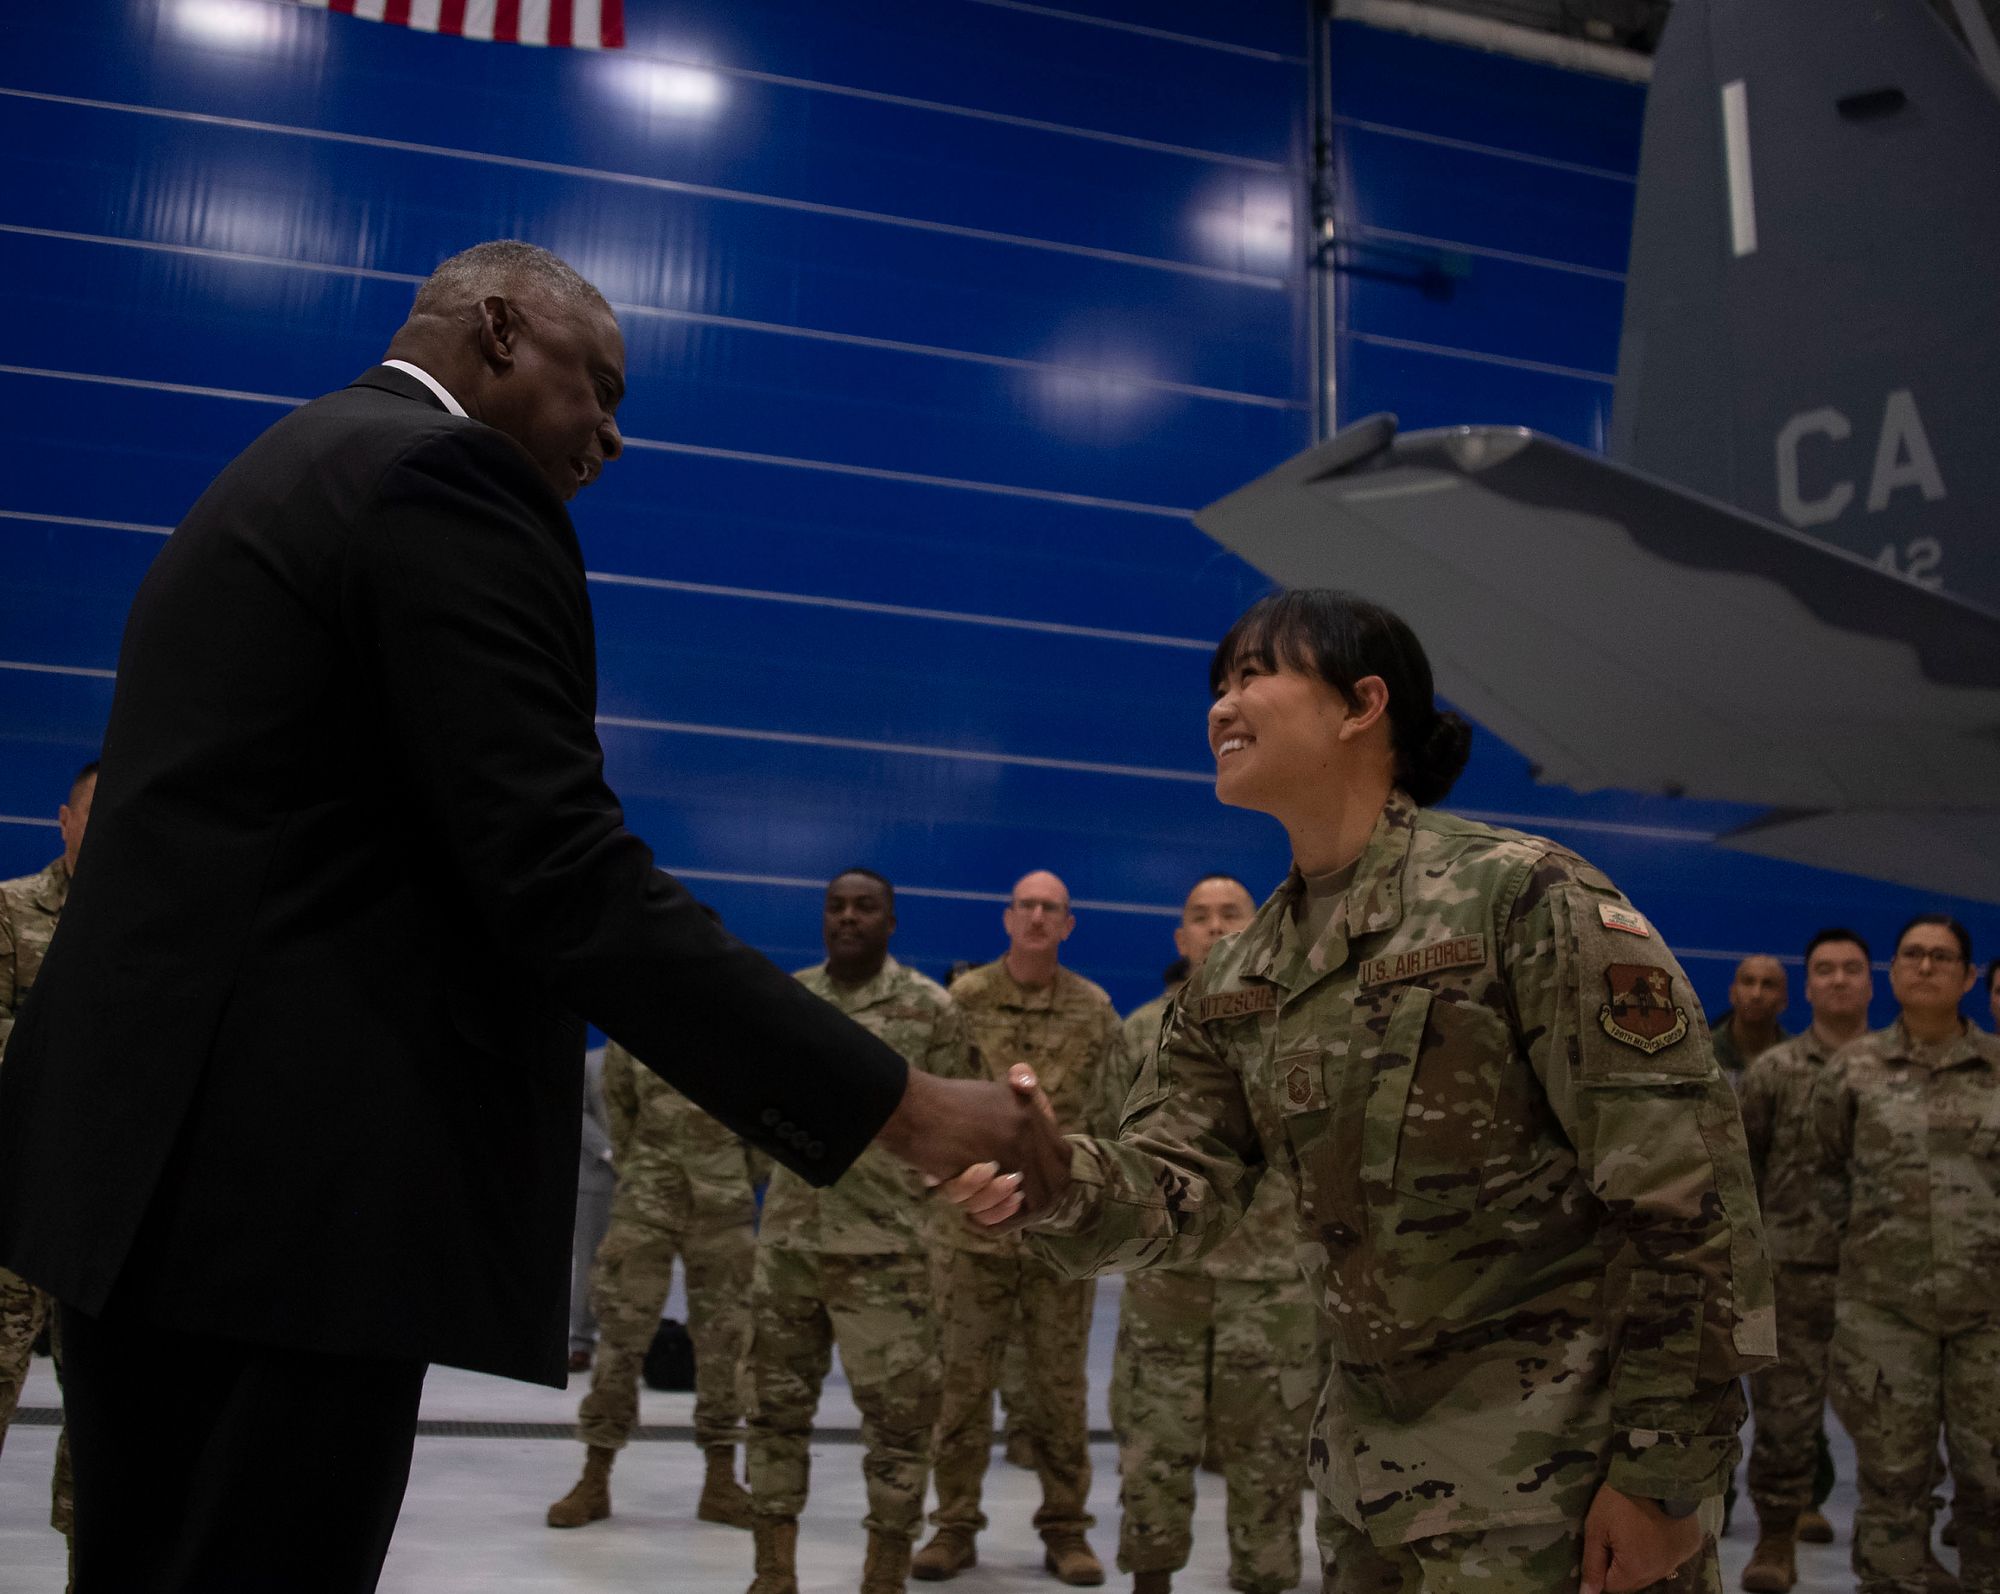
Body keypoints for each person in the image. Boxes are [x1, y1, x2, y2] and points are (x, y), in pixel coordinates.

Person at [0, 241, 1064, 1594]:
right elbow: (560, 869)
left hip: (139, 1175)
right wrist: (901, 1105)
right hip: (288, 1202)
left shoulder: (282, 467)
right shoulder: (444, 482)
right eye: (600, 391)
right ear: (500, 331)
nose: (611, 439)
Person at [947, 588, 1777, 1594]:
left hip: (1550, 1490)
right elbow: (1177, 1188)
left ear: (1360, 704)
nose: (1219, 704)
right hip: (1365, 1492)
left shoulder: (1519, 898)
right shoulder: (1237, 974)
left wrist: (1662, 1476)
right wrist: (1045, 1175)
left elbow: (1682, 1193)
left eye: (1254, 673)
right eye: (1216, 683)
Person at [744, 869, 968, 1594]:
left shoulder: (931, 1010)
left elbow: (962, 1130)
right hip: (787, 1253)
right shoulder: (787, 1001)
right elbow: (749, 1112)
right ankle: (773, 1573)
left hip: (888, 1257)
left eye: (865, 907)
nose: (848, 918)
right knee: (773, 1415)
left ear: (891, 921)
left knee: (900, 1428)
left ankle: (885, 1575)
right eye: (836, 907)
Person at [916, 871, 1126, 1587]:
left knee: (1059, 1390)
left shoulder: (1095, 1011)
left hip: (1059, 1238)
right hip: (973, 1236)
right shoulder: (963, 1001)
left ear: (1069, 925)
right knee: (961, 1387)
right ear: (1008, 919)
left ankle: (1066, 1530)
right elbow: (932, 1104)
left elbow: (1112, 1120)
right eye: (1027, 906)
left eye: (1052, 909)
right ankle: (953, 1527)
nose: (1038, 918)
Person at [1110, 873, 1317, 1594]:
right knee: (1152, 1445)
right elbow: (1113, 1150)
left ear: (1257, 928)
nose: (1216, 927)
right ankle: (1152, 1578)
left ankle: (1263, 1579)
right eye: (1200, 917)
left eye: (1232, 914)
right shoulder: (1141, 1030)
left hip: (1270, 1283)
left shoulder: (1302, 1023)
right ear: (1181, 938)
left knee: (1270, 1456)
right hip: (1167, 1279)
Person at [1813, 914, 1998, 1594]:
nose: (1926, 966)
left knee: (1993, 1478)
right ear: (1893, 970)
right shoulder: (1853, 1069)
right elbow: (1823, 1173)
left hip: (1991, 1313)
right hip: (1884, 1311)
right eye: (1913, 954)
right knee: (1893, 1476)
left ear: (1968, 977)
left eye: (1943, 957)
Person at [546, 1027, 762, 1530]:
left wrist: (735, 1174)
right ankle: (595, 1477)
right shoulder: (636, 1032)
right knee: (619, 1341)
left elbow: (763, 1120)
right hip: (645, 1203)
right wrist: (642, 1168)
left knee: (727, 1346)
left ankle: (721, 1483)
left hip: (723, 1207)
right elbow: (617, 1107)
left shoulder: (749, 1035)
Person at [1736, 930, 1874, 1591]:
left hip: (1885, 1283)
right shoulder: (1774, 1072)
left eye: (1852, 969)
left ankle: (1893, 1545)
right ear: (1809, 986)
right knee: (1783, 1419)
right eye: (1826, 970)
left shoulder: (1896, 1071)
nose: (1840, 979)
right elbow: (1743, 1172)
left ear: (1870, 983)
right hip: (1792, 1275)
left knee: (1898, 1422)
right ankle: (1774, 1540)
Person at [0, 760, 94, 1575]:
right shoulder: (10, 910)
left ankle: (84, 1569)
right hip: (14, 1206)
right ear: (62, 820)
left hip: (104, 1219)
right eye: (95, 815)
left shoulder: (152, 927)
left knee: (102, 1429)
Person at [569, 1045, 616, 1373]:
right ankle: (582, 1342)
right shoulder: (590, 1062)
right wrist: (609, 1150)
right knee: (589, 1261)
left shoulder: (656, 1065)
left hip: (652, 1180)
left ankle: (628, 1347)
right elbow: (577, 1110)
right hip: (599, 1176)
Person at [1711, 957, 1792, 1084]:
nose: (1756, 994)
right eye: (1748, 982)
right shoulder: (1703, 1053)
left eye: (1768, 985)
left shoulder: (1798, 1060)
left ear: (1784, 1000)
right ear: (1733, 993)